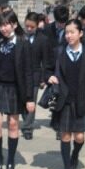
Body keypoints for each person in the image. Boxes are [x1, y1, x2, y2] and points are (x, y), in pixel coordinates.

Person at [47, 19, 85, 169]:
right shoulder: (59, 52)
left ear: (80, 34)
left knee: (79, 137)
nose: (68, 35)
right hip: (64, 100)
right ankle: (66, 168)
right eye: (67, 32)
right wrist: (50, 76)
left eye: (72, 32)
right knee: (65, 135)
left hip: (81, 101)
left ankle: (75, 154)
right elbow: (46, 68)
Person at [0, 10, 34, 169]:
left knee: (13, 125)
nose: (4, 28)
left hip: (15, 88)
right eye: (1, 25)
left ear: (14, 24)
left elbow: (29, 71)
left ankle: (11, 159)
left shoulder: (23, 42)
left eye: (7, 24)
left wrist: (30, 98)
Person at [21, 12, 50, 140]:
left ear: (38, 26)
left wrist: (43, 78)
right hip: (20, 74)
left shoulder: (43, 39)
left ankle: (28, 127)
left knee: (31, 101)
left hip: (34, 75)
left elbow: (45, 60)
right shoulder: (19, 37)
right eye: (27, 26)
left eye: (32, 27)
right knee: (22, 101)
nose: (28, 29)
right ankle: (25, 118)